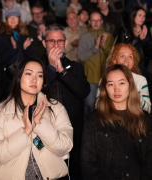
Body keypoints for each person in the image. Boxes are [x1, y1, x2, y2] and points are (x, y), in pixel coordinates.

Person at [0, 58, 73, 180]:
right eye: (29, 73)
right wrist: (25, 131)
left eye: (40, 75)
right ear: (18, 77)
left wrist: (40, 125)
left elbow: (65, 147)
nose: (34, 79)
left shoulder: (56, 108)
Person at [81, 64, 152, 180]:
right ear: (105, 88)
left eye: (121, 83)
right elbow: (87, 162)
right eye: (110, 84)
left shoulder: (145, 119)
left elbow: (149, 162)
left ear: (130, 85)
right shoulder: (94, 119)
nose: (116, 89)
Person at [41, 23, 90, 180]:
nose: (56, 45)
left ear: (66, 43)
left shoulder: (75, 67)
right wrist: (50, 68)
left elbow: (83, 92)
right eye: (51, 41)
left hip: (72, 130)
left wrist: (62, 71)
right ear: (44, 43)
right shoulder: (36, 67)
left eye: (59, 41)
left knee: (73, 167)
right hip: (44, 131)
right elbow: (35, 90)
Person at [95, 43, 151, 112]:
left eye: (130, 57)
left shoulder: (141, 80)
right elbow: (98, 106)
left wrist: (134, 92)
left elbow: (148, 109)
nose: (126, 60)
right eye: (122, 56)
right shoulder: (106, 79)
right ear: (114, 60)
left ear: (133, 62)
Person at [78, 11, 114, 116]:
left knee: (105, 107)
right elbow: (81, 57)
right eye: (93, 20)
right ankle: (87, 131)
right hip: (91, 78)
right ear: (89, 21)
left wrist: (103, 44)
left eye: (98, 20)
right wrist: (95, 48)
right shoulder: (84, 38)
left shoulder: (108, 37)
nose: (96, 23)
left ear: (102, 22)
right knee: (89, 105)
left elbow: (112, 56)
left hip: (106, 78)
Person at [0, 8, 35, 99]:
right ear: (6, 20)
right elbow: (0, 59)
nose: (13, 19)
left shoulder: (25, 36)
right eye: (10, 17)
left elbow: (32, 58)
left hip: (24, 77)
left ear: (19, 19)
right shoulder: (1, 38)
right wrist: (13, 48)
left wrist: (24, 48)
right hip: (7, 79)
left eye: (15, 16)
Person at [117, 7, 152, 80]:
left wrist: (143, 41)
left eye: (144, 16)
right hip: (128, 68)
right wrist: (136, 38)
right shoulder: (124, 30)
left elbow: (149, 54)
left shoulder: (145, 31)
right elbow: (120, 50)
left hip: (142, 69)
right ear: (133, 16)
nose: (142, 18)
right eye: (140, 15)